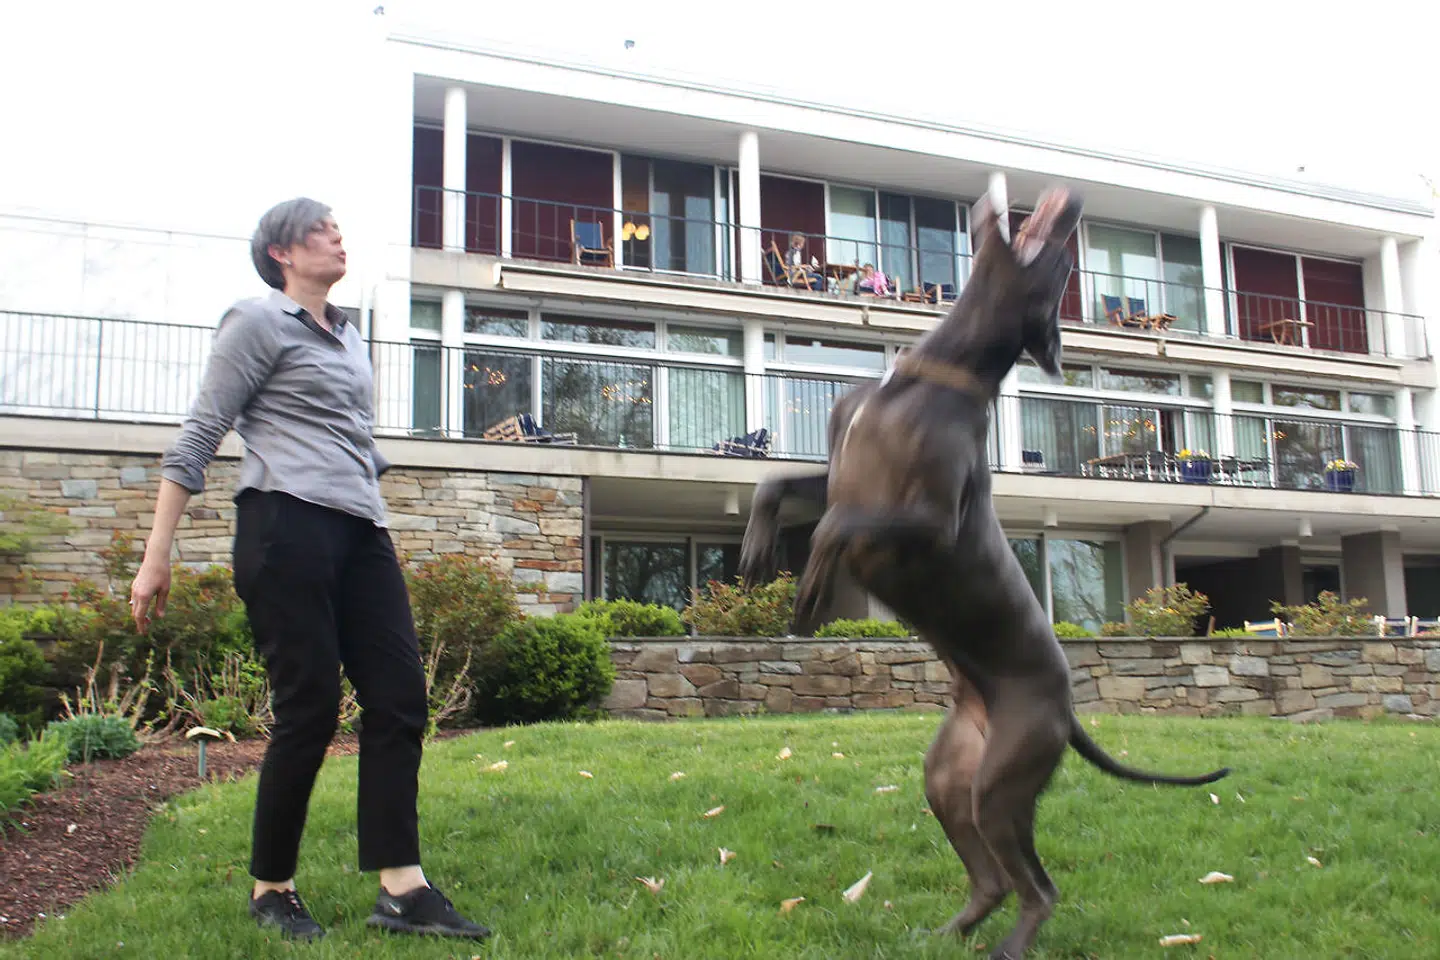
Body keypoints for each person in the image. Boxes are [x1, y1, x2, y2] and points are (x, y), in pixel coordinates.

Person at [129, 198, 490, 943]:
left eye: (337, 228)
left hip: (361, 530)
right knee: (311, 709)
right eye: (322, 229)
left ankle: (402, 889)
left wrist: (370, 471)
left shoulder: (352, 338)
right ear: (282, 252)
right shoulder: (256, 322)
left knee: (399, 699)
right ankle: (271, 887)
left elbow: (349, 433)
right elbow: (201, 431)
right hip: (283, 525)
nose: (338, 237)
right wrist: (156, 552)